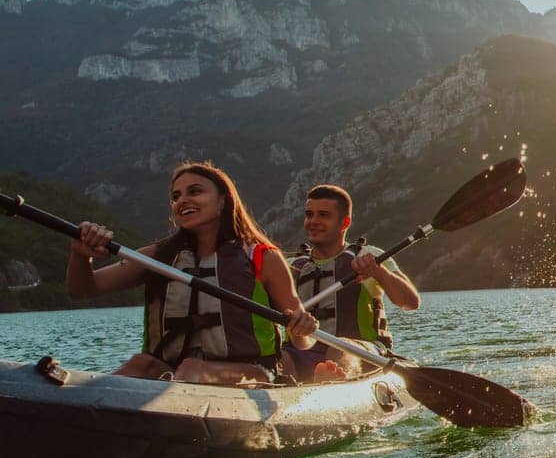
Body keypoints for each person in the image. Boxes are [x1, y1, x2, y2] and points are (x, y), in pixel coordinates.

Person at [67, 161, 316, 385]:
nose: (182, 200)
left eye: (195, 191)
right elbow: (82, 289)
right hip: (175, 374)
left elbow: (303, 340)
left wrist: (301, 328)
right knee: (140, 365)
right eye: (176, 196)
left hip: (255, 375)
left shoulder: (263, 257)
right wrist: (81, 255)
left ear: (222, 201)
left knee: (191, 370)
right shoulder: (157, 257)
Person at [285, 184, 420, 380]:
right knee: (282, 357)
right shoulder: (291, 267)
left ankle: (333, 379)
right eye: (309, 214)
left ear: (345, 222)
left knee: (339, 349)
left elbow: (410, 302)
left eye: (323, 215)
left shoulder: (369, 256)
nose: (313, 221)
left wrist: (378, 272)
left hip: (361, 350)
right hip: (302, 351)